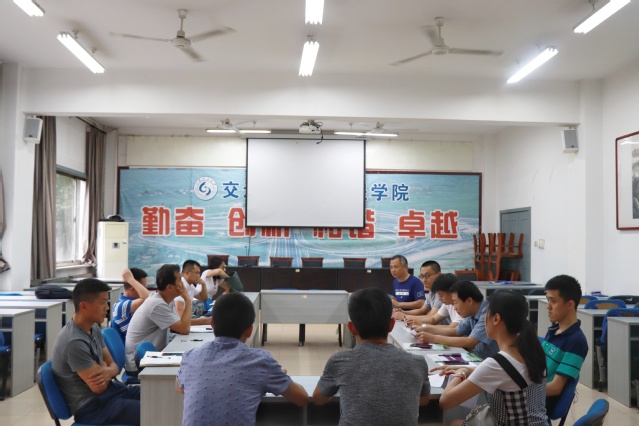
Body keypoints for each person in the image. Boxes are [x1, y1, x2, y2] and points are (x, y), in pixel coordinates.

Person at [176, 292, 309, 425]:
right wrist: (275, 375)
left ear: (212, 324)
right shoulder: (259, 361)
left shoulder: (191, 356)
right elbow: (302, 398)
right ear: (249, 330)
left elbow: (180, 388)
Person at [313, 288, 430, 426]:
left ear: (351, 328)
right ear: (391, 325)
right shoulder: (417, 362)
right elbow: (423, 400)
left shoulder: (340, 361)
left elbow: (318, 399)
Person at [437, 290, 548, 426]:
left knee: (453, 423)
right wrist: (467, 369)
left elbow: (445, 401)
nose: (484, 318)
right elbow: (507, 374)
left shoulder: (497, 363)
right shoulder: (533, 351)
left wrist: (460, 374)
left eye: (486, 313)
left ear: (496, 319)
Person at [52, 278, 140, 425]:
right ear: (84, 306)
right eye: (103, 302)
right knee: (154, 410)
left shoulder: (93, 328)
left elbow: (113, 364)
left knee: (155, 395)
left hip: (111, 393)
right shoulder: (74, 341)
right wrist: (108, 368)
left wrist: (107, 370)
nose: (107, 307)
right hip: (94, 407)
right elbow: (99, 387)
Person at [124, 264, 193, 374]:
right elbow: (184, 329)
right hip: (139, 365)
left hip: (152, 356)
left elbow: (181, 324)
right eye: (180, 280)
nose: (183, 284)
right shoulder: (157, 304)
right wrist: (187, 300)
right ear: (169, 287)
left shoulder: (165, 301)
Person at [416, 280, 499, 359]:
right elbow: (456, 331)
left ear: (469, 301)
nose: (455, 307)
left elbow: (470, 342)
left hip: (490, 363)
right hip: (477, 357)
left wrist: (434, 338)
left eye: (456, 303)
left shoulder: (488, 313)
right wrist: (425, 328)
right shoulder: (472, 312)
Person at [542, 275, 588, 413]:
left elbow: (556, 388)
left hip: (540, 405)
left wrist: (521, 390)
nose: (548, 307)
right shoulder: (554, 330)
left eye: (553, 301)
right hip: (534, 391)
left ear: (570, 305)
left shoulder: (576, 341)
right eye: (547, 300)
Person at [112, 268, 150, 339]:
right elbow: (149, 300)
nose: (145, 290)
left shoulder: (133, 302)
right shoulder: (121, 305)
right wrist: (130, 279)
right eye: (143, 287)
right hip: (137, 344)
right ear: (133, 288)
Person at [175, 259, 211, 325]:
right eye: (197, 273)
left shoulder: (190, 285)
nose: (198, 276)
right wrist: (206, 321)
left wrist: (203, 285)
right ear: (187, 272)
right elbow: (181, 320)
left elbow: (203, 298)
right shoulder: (181, 286)